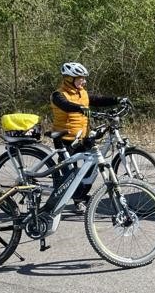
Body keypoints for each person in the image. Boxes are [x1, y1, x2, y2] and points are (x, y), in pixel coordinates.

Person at [50, 62, 124, 209]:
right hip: (65, 139)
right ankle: (60, 201)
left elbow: (97, 99)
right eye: (80, 78)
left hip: (82, 137)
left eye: (84, 78)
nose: (84, 81)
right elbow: (66, 105)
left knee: (91, 167)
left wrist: (117, 99)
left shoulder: (82, 92)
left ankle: (80, 197)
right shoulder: (58, 95)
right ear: (69, 79)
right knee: (69, 175)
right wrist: (81, 109)